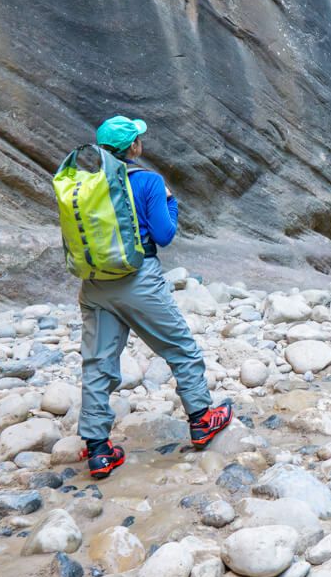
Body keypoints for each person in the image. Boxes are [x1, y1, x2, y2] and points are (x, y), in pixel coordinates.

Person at [78, 115, 232, 478]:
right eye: (138, 139)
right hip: (138, 279)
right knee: (180, 347)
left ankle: (99, 451)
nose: (141, 143)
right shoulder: (148, 181)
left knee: (98, 364)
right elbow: (164, 235)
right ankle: (201, 419)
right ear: (133, 147)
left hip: (95, 283)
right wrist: (171, 200)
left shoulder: (84, 185)